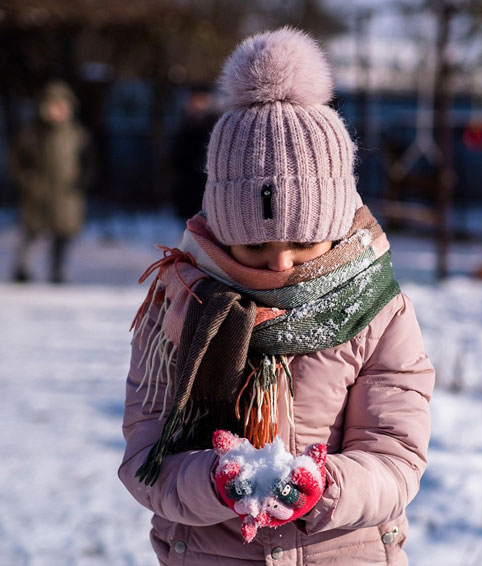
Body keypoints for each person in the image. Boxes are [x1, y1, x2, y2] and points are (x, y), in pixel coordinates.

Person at [118, 27, 434, 565]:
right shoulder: (179, 304)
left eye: (305, 242)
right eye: (257, 243)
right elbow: (147, 460)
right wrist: (214, 483)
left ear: (334, 227)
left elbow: (395, 456)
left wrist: (327, 484)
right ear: (222, 226)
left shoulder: (378, 311)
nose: (282, 262)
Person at [8, 80, 92, 283]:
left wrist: (81, 181)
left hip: (66, 196)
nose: (56, 111)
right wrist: (27, 181)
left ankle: (58, 272)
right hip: (38, 193)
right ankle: (21, 269)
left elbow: (89, 163)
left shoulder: (77, 135)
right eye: (52, 106)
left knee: (62, 236)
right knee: (31, 233)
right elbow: (16, 162)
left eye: (60, 106)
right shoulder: (31, 134)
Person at [170, 85, 218, 220]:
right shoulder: (185, 125)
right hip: (187, 188)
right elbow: (176, 158)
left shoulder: (214, 125)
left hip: (205, 188)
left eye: (201, 99)